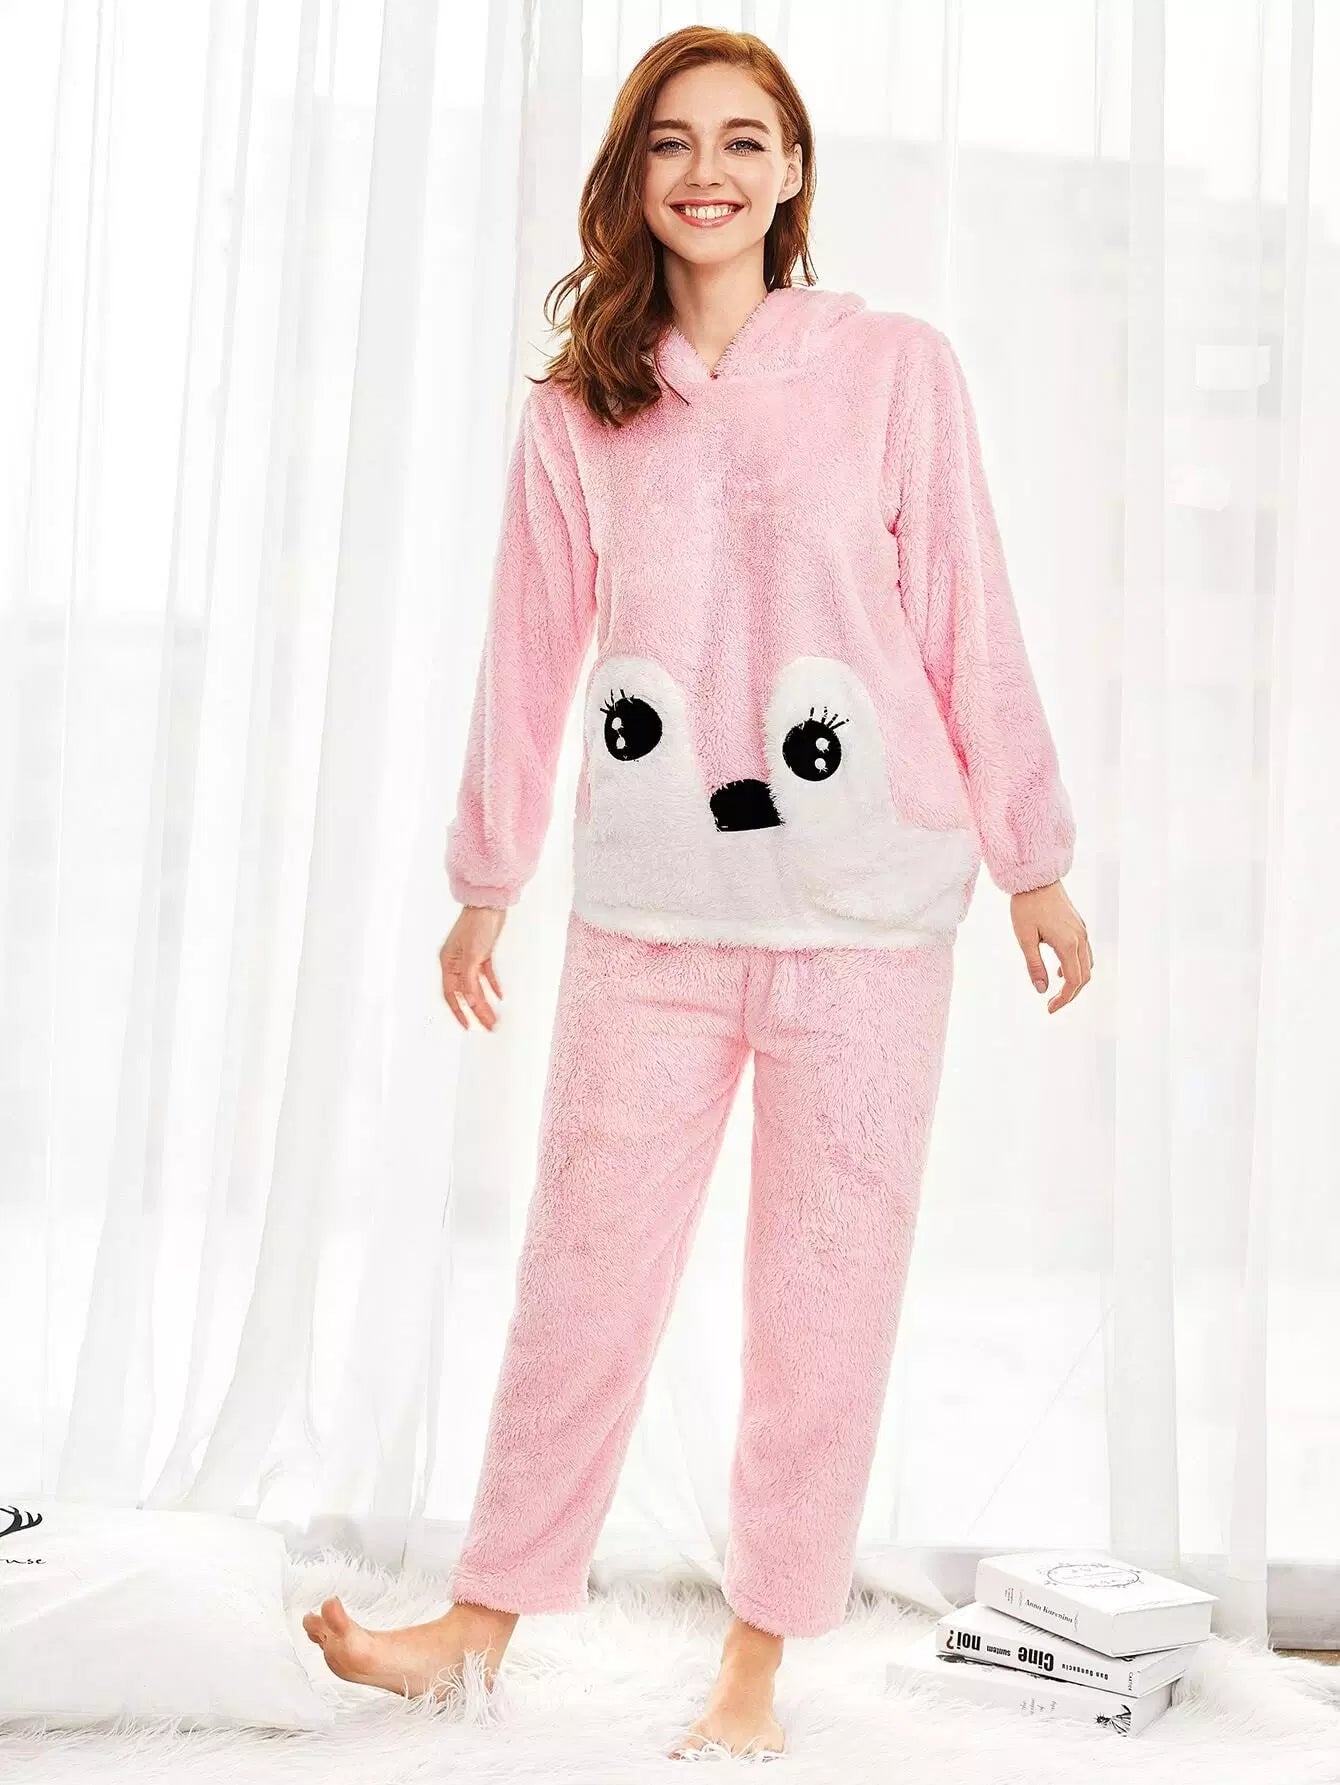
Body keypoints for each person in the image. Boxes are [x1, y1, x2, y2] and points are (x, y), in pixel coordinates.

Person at [303, 23, 1092, 1762]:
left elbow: (966, 611)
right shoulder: (582, 403)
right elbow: (529, 649)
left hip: (867, 914)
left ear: (793, 170)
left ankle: (753, 1661)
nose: (710, 171)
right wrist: (485, 875)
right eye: (673, 142)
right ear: (635, 175)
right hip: (649, 913)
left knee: (823, 1297)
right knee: (580, 1272)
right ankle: (479, 1623)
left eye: (745, 139)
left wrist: (1033, 859)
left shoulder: (894, 369)